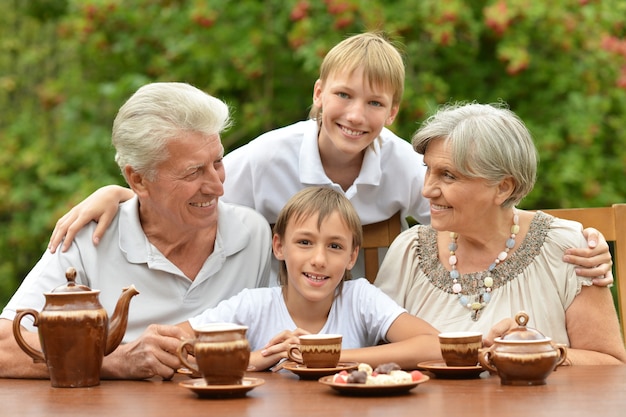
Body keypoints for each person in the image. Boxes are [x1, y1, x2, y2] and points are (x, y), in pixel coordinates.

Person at [46, 32, 613, 283]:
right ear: (318, 94)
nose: (355, 115)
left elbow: (478, 211)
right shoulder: (268, 158)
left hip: (362, 303)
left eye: (375, 103)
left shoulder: (402, 166)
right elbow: (187, 194)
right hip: (281, 299)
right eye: (342, 95)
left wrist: (575, 236)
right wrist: (115, 193)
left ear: (393, 112)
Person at [0, 82, 272, 380]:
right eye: (193, 171)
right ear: (138, 180)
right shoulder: (89, 239)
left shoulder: (254, 235)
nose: (218, 186)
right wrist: (113, 360)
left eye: (218, 162)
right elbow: (4, 348)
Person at [374, 102, 626, 365]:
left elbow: (610, 363)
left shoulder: (568, 249)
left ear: (503, 187)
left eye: (448, 176)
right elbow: (378, 359)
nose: (427, 190)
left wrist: (540, 353)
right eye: (428, 169)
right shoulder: (409, 252)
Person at [178, 186, 442, 371]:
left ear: (352, 256)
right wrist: (258, 358)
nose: (319, 259)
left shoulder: (359, 298)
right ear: (279, 247)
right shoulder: (254, 305)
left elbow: (436, 346)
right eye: (305, 242)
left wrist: (327, 357)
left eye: (335, 246)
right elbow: (177, 344)